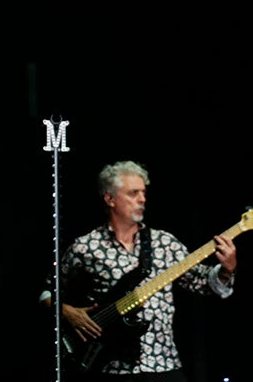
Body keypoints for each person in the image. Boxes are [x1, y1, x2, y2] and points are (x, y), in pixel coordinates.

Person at [42, 160, 237, 381]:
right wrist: (67, 312)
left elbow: (201, 282)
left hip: (163, 365)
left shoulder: (165, 243)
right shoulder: (86, 246)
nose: (142, 199)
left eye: (143, 192)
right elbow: (47, 293)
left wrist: (226, 270)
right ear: (110, 199)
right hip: (110, 368)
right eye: (133, 193)